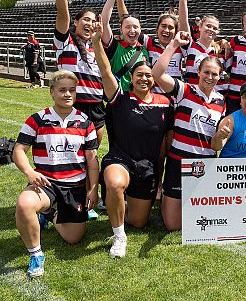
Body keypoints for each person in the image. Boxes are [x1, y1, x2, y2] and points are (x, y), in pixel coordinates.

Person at [91, 18, 173, 258]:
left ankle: (120, 207)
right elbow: (106, 71)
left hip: (146, 167)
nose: (144, 79)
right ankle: (118, 236)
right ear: (132, 78)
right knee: (115, 184)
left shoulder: (165, 104)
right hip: (121, 159)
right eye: (139, 75)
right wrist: (97, 43)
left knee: (138, 222)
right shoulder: (120, 98)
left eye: (148, 75)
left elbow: (163, 146)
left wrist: (159, 177)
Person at [13, 70, 99, 278]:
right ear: (52, 92)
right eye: (62, 90)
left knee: (73, 238)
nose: (67, 94)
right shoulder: (37, 120)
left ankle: (49, 214)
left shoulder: (86, 122)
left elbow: (92, 161)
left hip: (75, 185)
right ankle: (36, 254)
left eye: (72, 90)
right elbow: (18, 150)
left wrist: (93, 189)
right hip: (46, 183)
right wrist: (29, 172)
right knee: (25, 204)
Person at [152, 31, 226, 231]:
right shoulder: (185, 90)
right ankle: (169, 198)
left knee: (200, 221)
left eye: (214, 74)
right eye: (206, 72)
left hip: (204, 163)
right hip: (179, 160)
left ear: (220, 76)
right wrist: (173, 45)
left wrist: (220, 137)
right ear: (198, 71)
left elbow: (216, 142)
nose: (210, 77)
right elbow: (156, 74)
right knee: (173, 226)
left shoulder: (221, 101)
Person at [49, 0, 106, 146]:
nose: (90, 23)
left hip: (96, 107)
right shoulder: (66, 42)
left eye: (93, 20)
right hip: (73, 104)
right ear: (76, 22)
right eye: (86, 20)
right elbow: (62, 13)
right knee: (73, 152)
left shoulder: (97, 47)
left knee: (92, 153)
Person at [100, 0, 149, 90]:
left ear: (140, 30)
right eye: (127, 27)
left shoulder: (144, 49)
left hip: (138, 101)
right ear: (121, 30)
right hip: (119, 100)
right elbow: (104, 22)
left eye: (135, 27)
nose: (132, 30)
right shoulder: (114, 47)